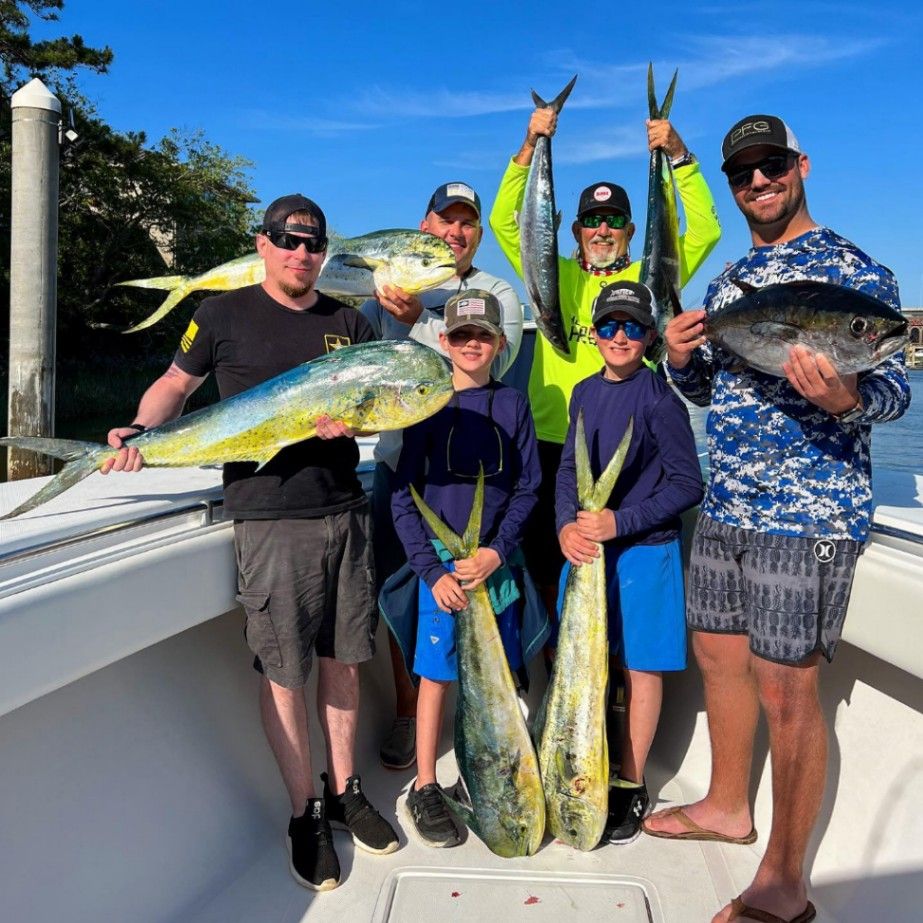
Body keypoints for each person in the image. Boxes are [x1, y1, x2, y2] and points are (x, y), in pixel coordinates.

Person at [642, 116, 911, 923]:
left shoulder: (857, 271)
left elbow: (893, 386)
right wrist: (680, 360)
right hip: (725, 502)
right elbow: (710, 396)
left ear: (799, 165)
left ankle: (785, 882)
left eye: (769, 166)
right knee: (718, 658)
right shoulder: (728, 285)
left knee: (788, 692)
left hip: (809, 510)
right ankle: (727, 803)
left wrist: (851, 397)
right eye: (741, 174)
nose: (757, 183)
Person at [102, 194, 399, 892]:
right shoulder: (220, 313)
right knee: (285, 673)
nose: (301, 253)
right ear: (262, 244)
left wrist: (353, 425)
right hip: (270, 517)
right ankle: (305, 811)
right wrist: (137, 429)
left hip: (344, 509)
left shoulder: (347, 322)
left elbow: (369, 406)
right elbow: (176, 384)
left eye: (313, 243)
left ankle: (348, 789)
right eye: (288, 240)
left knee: (345, 662)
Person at [489, 106, 721, 625]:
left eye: (613, 221)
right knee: (554, 571)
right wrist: (531, 144)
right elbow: (505, 220)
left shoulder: (650, 276)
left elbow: (704, 230)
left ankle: (615, 688)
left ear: (632, 229)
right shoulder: (550, 271)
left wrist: (679, 157)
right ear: (573, 230)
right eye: (591, 221)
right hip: (555, 447)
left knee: (622, 576)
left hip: (634, 452)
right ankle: (558, 683)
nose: (601, 230)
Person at [360, 182, 524, 772]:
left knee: (485, 607)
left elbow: (488, 364)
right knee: (405, 596)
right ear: (423, 225)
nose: (456, 232)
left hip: (473, 494)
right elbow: (360, 361)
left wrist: (421, 326)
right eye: (445, 221)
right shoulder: (382, 287)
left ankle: (482, 721)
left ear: (477, 233)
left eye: (467, 223)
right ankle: (410, 711)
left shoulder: (496, 291)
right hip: (402, 475)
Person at [381, 289, 545, 847]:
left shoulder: (514, 404)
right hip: (445, 577)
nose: (471, 344)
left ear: (500, 344)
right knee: (437, 675)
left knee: (496, 677)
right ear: (443, 342)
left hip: (494, 570)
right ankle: (425, 785)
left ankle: (489, 772)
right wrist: (433, 573)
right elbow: (404, 498)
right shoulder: (427, 406)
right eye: (460, 336)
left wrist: (498, 551)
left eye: (482, 336)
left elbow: (528, 488)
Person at [556, 280, 703, 845]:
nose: (621, 336)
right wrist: (565, 525)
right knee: (586, 666)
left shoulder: (660, 399)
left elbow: (687, 484)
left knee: (641, 669)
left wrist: (621, 522)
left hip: (644, 551)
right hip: (587, 553)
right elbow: (568, 470)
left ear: (650, 339)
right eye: (610, 325)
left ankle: (632, 781)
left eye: (634, 327)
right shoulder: (583, 393)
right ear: (593, 333)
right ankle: (582, 763)